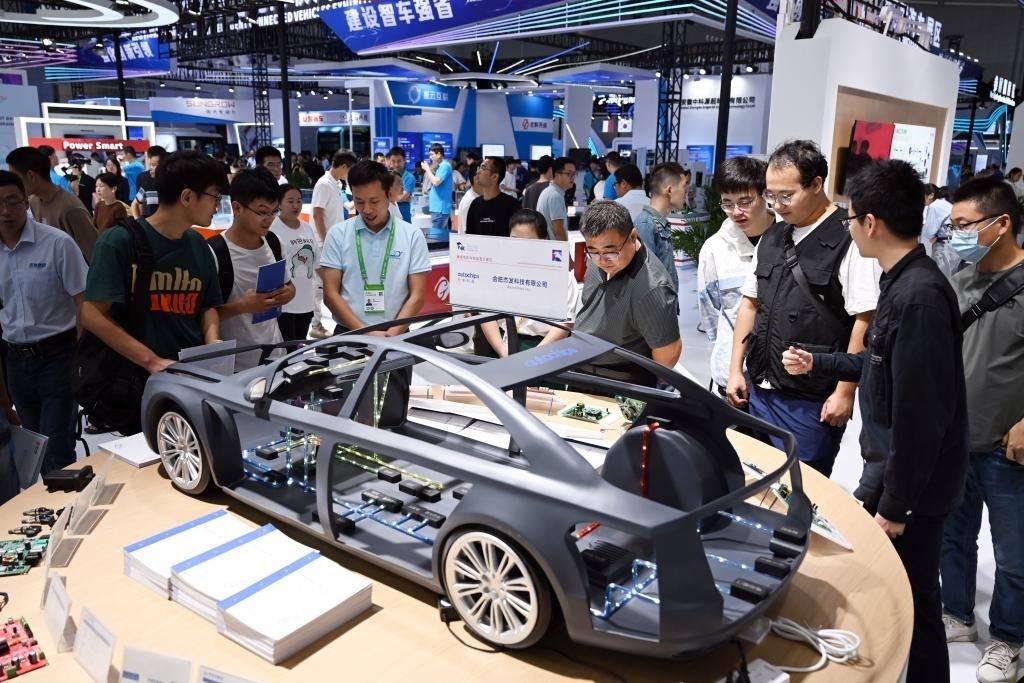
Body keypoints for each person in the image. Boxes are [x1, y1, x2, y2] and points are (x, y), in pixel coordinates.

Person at [783, 159, 968, 683]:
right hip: (893, 471)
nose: (848, 227)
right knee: (902, 593)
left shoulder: (919, 296)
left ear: (871, 223)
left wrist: (895, 504)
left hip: (911, 483)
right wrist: (820, 361)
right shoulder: (902, 281)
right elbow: (883, 363)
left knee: (914, 601)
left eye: (850, 218)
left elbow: (920, 416)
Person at [726, 139, 880, 477]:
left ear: (815, 184)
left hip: (810, 401)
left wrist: (845, 392)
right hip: (758, 390)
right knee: (749, 482)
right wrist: (736, 369)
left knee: (800, 489)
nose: (777, 205)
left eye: (786, 196)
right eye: (770, 196)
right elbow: (750, 303)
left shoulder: (849, 238)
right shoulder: (772, 236)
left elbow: (864, 319)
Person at [939, 177, 1024, 683]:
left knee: (1013, 553)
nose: (956, 235)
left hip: (1007, 447)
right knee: (954, 535)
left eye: (964, 225)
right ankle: (957, 613)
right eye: (952, 225)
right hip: (957, 438)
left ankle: (1009, 640)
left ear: (1001, 223)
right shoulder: (960, 279)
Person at [81, 150, 224, 378]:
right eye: (215, 196)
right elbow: (91, 314)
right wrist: (152, 361)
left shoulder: (198, 244)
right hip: (133, 379)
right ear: (187, 197)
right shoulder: (118, 241)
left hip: (190, 374)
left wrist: (213, 342)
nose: (217, 205)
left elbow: (207, 306)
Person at [0, 170, 87, 473]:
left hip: (58, 356)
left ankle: (67, 501)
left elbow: (83, 301)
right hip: (15, 360)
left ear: (26, 202)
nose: (5, 211)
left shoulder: (56, 243)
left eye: (12, 202)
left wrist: (81, 357)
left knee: (57, 449)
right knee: (33, 447)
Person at [574, 201, 681, 386]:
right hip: (580, 368)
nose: (602, 260)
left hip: (617, 381)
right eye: (593, 252)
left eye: (610, 252)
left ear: (632, 236)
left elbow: (667, 356)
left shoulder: (652, 288)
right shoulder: (600, 258)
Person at [320, 161, 430, 335]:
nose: (367, 210)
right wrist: (365, 332)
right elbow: (330, 295)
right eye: (359, 201)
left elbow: (417, 296)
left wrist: (391, 335)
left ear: (389, 195)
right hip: (349, 334)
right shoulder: (338, 234)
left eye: (374, 201)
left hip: (397, 333)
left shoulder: (412, 236)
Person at [699, 157, 776, 395]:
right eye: (727, 203)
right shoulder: (714, 249)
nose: (736, 212)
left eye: (745, 201)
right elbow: (711, 312)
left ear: (765, 195)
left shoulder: (788, 237)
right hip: (731, 375)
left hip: (781, 376)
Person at [212, 168, 294, 371]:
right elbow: (201, 316)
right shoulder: (215, 252)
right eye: (262, 212)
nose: (270, 219)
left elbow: (289, 285)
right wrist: (241, 307)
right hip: (234, 367)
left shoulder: (274, 242)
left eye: (274, 211)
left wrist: (288, 293)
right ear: (237, 208)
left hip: (275, 357)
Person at [480, 209, 576, 356]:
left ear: (544, 240)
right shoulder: (498, 272)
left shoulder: (562, 277)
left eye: (529, 242)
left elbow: (565, 323)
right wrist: (501, 350)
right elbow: (485, 313)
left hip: (548, 350)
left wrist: (534, 356)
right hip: (505, 347)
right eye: (515, 240)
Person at [6, 146, 98, 262]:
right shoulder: (34, 202)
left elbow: (95, 254)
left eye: (16, 178)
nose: (14, 184)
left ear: (31, 176)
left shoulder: (71, 208)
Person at [309, 151, 356, 339]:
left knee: (327, 284)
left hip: (332, 242)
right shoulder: (323, 184)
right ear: (344, 166)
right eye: (350, 170)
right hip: (322, 244)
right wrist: (325, 240)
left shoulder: (336, 184)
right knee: (320, 285)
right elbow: (317, 214)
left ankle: (320, 322)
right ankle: (315, 324)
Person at [271, 183, 319, 342]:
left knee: (299, 346)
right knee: (286, 347)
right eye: (290, 201)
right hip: (284, 303)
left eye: (299, 201)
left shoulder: (307, 228)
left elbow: (317, 262)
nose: (296, 205)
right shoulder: (272, 229)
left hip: (306, 301)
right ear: (279, 204)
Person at [465, 157, 521, 237]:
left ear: (494, 176)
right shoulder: (474, 204)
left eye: (483, 168)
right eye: (479, 168)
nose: (478, 171)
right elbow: (469, 236)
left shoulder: (512, 205)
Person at [921, 183, 959, 278]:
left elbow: (929, 231)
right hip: (954, 243)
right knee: (950, 277)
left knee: (940, 276)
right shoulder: (945, 204)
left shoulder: (934, 206)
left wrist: (933, 236)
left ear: (931, 195)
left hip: (944, 246)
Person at [537, 157, 575, 241]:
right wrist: (565, 248)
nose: (573, 177)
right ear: (557, 174)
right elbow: (559, 231)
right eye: (569, 174)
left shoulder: (550, 192)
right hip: (554, 247)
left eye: (574, 174)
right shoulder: (555, 196)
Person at [421, 144, 454, 232]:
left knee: (437, 236)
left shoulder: (445, 166)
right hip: (438, 208)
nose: (430, 157)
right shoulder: (441, 166)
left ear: (439, 154)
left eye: (432, 154)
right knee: (441, 235)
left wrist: (427, 169)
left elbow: (436, 182)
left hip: (440, 208)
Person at [131, 145, 167, 219]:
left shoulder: (173, 182)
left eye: (154, 165)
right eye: (150, 164)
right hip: (151, 222)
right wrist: (139, 221)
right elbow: (135, 204)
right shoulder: (147, 183)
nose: (151, 168)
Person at [386, 146, 416, 223]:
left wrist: (387, 199)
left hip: (404, 215)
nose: (396, 164)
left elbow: (402, 197)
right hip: (388, 216)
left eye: (399, 161)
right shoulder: (386, 176)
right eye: (393, 161)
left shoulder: (409, 177)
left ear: (404, 160)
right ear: (390, 161)